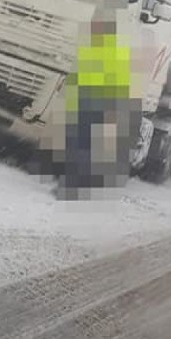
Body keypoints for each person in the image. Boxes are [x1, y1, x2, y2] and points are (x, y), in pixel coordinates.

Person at [59, 10, 133, 198]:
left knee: (84, 149)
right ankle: (74, 185)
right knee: (77, 148)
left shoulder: (112, 55)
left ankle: (75, 187)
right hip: (85, 107)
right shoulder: (91, 51)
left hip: (97, 109)